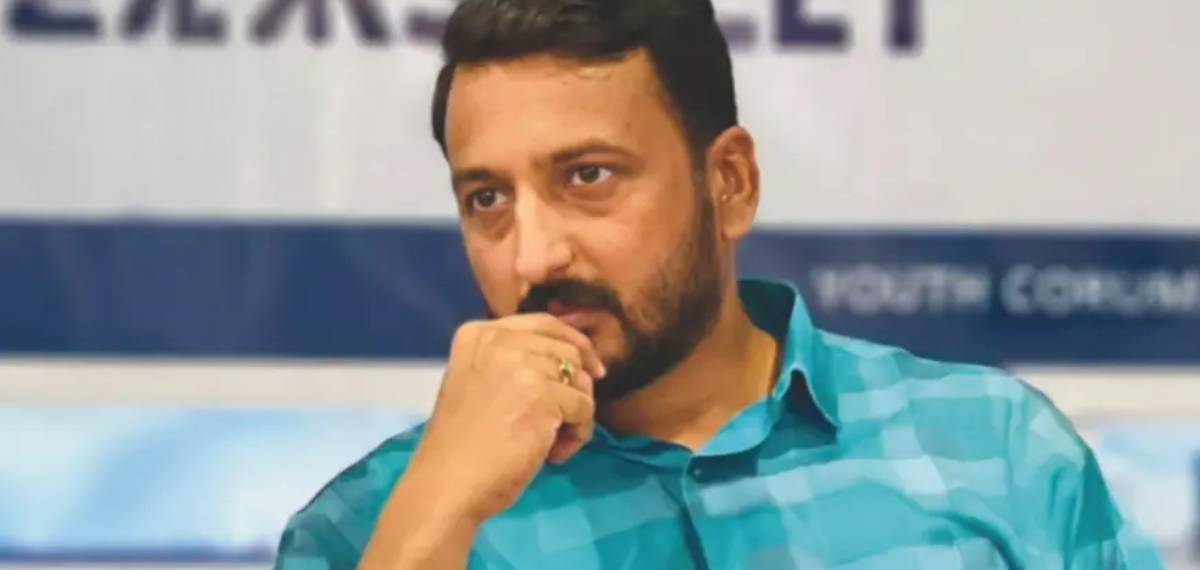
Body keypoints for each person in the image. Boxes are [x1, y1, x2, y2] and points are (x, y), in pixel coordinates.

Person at [274, 0, 1163, 568]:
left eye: (588, 176)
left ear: (729, 183)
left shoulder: (996, 449)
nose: (532, 256)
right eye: (487, 198)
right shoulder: (369, 527)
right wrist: (435, 513)